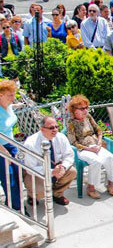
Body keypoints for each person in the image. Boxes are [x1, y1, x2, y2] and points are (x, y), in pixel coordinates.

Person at [67, 95, 113, 199]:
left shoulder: (88, 117)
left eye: (86, 107)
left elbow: (99, 130)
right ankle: (91, 188)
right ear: (74, 110)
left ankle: (111, 183)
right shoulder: (71, 123)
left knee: (109, 157)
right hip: (82, 149)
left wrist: (99, 143)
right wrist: (89, 149)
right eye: (82, 108)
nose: (85, 110)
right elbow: (73, 142)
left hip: (95, 145)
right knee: (96, 161)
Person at [23, 116, 76, 206]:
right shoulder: (31, 143)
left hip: (57, 167)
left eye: (56, 127)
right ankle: (32, 196)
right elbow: (31, 168)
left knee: (72, 171)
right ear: (42, 129)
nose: (55, 130)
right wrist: (52, 172)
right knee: (41, 191)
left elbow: (69, 155)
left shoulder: (61, 137)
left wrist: (63, 167)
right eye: (51, 128)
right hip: (37, 173)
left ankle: (57, 194)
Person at [0, 80, 22, 211]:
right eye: (10, 95)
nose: (13, 98)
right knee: (9, 177)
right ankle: (15, 208)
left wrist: (17, 105)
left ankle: (17, 204)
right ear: (0, 95)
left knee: (18, 173)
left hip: (11, 144)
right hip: (1, 147)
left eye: (14, 95)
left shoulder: (8, 105)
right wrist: (5, 153)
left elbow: (10, 111)